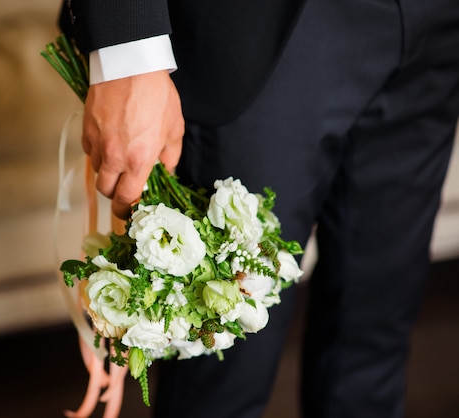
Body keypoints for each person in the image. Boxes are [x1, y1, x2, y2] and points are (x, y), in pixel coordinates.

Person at [59, 0, 459, 417]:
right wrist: (128, 47)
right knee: (222, 366)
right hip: (262, 31)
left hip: (438, 27)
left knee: (374, 348)